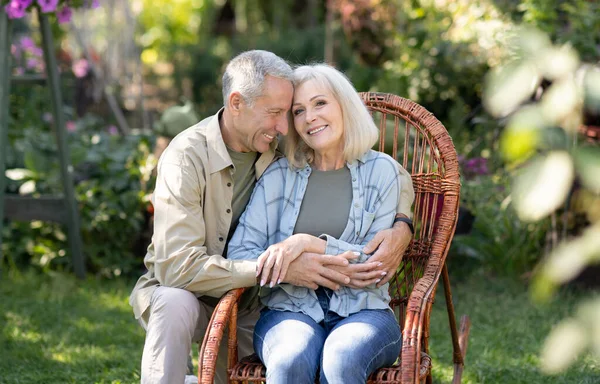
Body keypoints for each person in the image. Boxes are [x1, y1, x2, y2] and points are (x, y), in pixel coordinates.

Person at [129, 50, 414, 384]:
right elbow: (177, 266)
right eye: (285, 112)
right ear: (237, 103)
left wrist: (402, 224)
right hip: (202, 291)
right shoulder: (189, 158)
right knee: (175, 302)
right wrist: (284, 268)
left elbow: (394, 175)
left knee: (319, 360)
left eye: (291, 113)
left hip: (251, 303)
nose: (286, 125)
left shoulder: (278, 151)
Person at [227, 63, 411, 383]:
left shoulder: (383, 172)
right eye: (298, 111)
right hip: (288, 310)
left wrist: (306, 244)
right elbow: (240, 250)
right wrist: (291, 267)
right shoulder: (278, 176)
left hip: (365, 312)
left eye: (320, 103)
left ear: (345, 106)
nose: (310, 117)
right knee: (289, 360)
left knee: (341, 358)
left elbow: (374, 268)